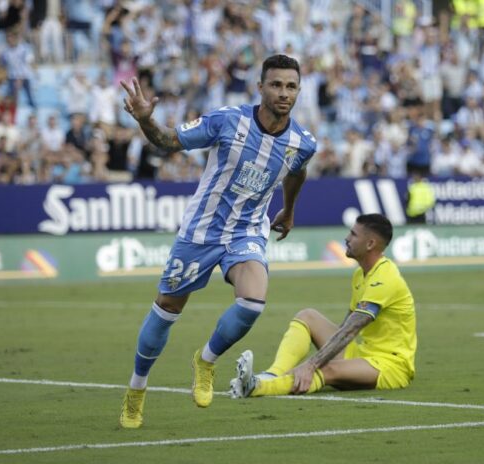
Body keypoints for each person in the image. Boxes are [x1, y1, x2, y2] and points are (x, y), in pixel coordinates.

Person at [118, 54, 316, 428]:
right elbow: (169, 141)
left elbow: (298, 173)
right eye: (275, 85)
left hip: (246, 232)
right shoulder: (227, 121)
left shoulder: (302, 142)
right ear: (260, 87)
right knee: (166, 311)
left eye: (291, 86)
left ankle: (205, 361)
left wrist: (288, 210)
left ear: (299, 90)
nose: (283, 93)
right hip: (201, 231)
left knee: (253, 302)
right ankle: (136, 391)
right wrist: (146, 120)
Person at [230, 214, 417, 398]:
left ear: (370, 244)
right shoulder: (360, 275)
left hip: (390, 366)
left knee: (326, 368)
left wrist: (312, 364)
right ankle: (272, 374)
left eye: (353, 234)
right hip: (363, 354)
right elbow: (344, 329)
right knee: (308, 316)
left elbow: (351, 330)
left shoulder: (385, 278)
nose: (347, 238)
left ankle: (257, 387)